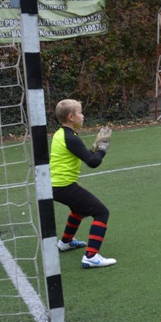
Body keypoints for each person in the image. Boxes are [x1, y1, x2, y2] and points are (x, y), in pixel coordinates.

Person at [50, 99, 116, 268]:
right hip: (63, 187)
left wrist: (95, 147)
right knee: (101, 212)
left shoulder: (61, 134)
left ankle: (65, 242)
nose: (83, 115)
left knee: (78, 209)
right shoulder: (71, 138)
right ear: (71, 117)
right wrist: (103, 148)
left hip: (56, 186)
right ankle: (91, 256)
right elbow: (93, 162)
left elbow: (84, 154)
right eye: (80, 112)